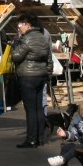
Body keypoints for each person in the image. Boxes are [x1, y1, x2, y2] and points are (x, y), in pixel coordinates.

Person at [10, 12, 51, 148]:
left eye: (20, 25)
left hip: (27, 76)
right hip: (41, 76)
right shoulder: (43, 37)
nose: (19, 28)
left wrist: (15, 43)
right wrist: (47, 74)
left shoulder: (26, 39)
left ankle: (31, 139)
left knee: (30, 109)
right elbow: (49, 59)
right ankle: (40, 137)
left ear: (28, 25)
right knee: (39, 107)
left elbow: (16, 56)